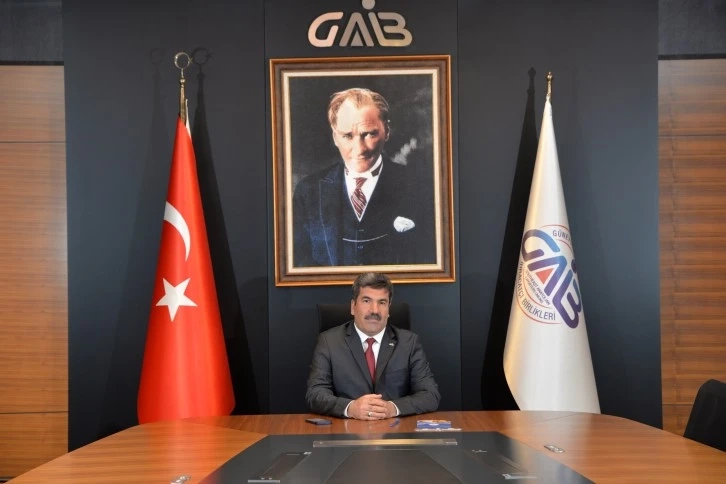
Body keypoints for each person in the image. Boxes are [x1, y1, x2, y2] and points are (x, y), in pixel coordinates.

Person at [292, 87, 435, 267]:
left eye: (369, 134)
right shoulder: (308, 192)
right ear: (335, 137)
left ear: (387, 131)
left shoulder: (422, 186)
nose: (359, 149)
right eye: (347, 136)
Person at [306, 272, 440, 419]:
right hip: (346, 429)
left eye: (382, 302)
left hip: (395, 429)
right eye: (366, 301)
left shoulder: (408, 342)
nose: (374, 310)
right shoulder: (329, 342)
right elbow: (315, 394)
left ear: (388, 309)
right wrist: (350, 408)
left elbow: (430, 395)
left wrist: (392, 408)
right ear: (353, 306)